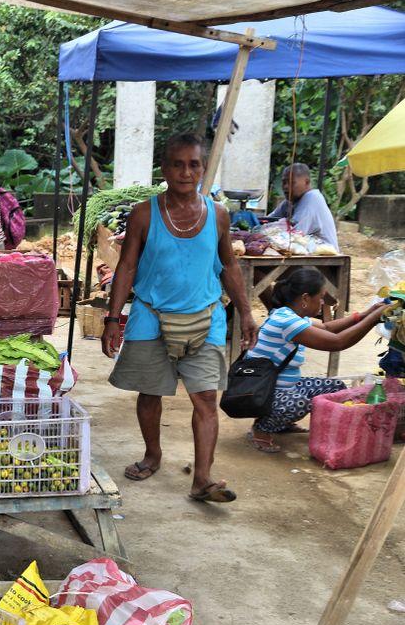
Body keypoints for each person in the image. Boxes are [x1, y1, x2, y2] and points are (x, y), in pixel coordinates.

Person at [102, 133, 257, 504]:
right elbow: (126, 267)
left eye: (194, 164)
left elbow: (229, 266)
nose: (186, 172)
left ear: (203, 169)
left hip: (206, 319)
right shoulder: (143, 214)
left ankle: (202, 478)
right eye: (177, 164)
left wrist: (247, 312)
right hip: (151, 317)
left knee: (205, 399)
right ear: (165, 169)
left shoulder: (218, 215)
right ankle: (153, 454)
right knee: (149, 393)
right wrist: (112, 318)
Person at [246, 268, 388, 452]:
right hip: (261, 391)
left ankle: (281, 423)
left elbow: (326, 327)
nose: (322, 303)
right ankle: (261, 429)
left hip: (281, 387)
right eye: (320, 297)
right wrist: (373, 319)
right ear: (305, 298)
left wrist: (364, 315)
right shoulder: (287, 321)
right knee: (297, 403)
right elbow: (337, 342)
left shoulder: (291, 315)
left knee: (334, 389)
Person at [266, 163, 339, 250]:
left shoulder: (312, 198)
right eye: (284, 182)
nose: (286, 187)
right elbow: (268, 221)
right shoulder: (290, 202)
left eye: (291, 183)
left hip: (324, 257)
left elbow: (295, 235)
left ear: (306, 182)